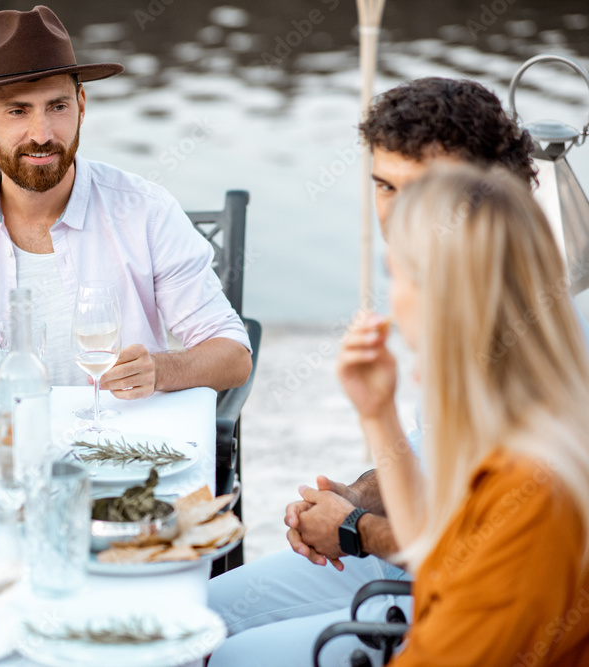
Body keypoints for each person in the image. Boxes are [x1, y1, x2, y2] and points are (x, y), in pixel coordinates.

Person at [208, 77, 547, 664]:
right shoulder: (445, 291)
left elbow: (480, 562)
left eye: (423, 191)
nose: (396, 216)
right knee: (198, 615)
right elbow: (426, 452)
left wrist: (354, 529)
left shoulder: (530, 342)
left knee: (233, 656)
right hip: (401, 552)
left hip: (460, 606)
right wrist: (354, 495)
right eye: (385, 187)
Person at [0, 5, 251, 395]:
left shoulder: (146, 209)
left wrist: (162, 370)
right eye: (18, 111)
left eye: (57, 106)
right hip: (2, 440)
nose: (41, 133)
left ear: (82, 106)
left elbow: (233, 355)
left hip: (119, 444)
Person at [349, 164, 589, 663]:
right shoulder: (529, 420)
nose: (390, 300)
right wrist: (378, 413)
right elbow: (438, 555)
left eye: (397, 276)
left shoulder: (531, 492)